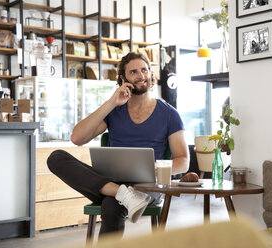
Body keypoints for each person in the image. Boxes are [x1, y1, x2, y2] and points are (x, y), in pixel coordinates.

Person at [47, 52, 189, 237]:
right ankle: (122, 193)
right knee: (56, 158)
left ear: (151, 74)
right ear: (123, 79)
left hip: (147, 186)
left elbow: (183, 160)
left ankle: (120, 194)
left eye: (144, 70)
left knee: (111, 206)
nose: (141, 76)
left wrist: (156, 168)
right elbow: (77, 138)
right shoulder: (115, 110)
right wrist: (112, 102)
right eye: (134, 72)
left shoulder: (169, 114)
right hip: (112, 181)